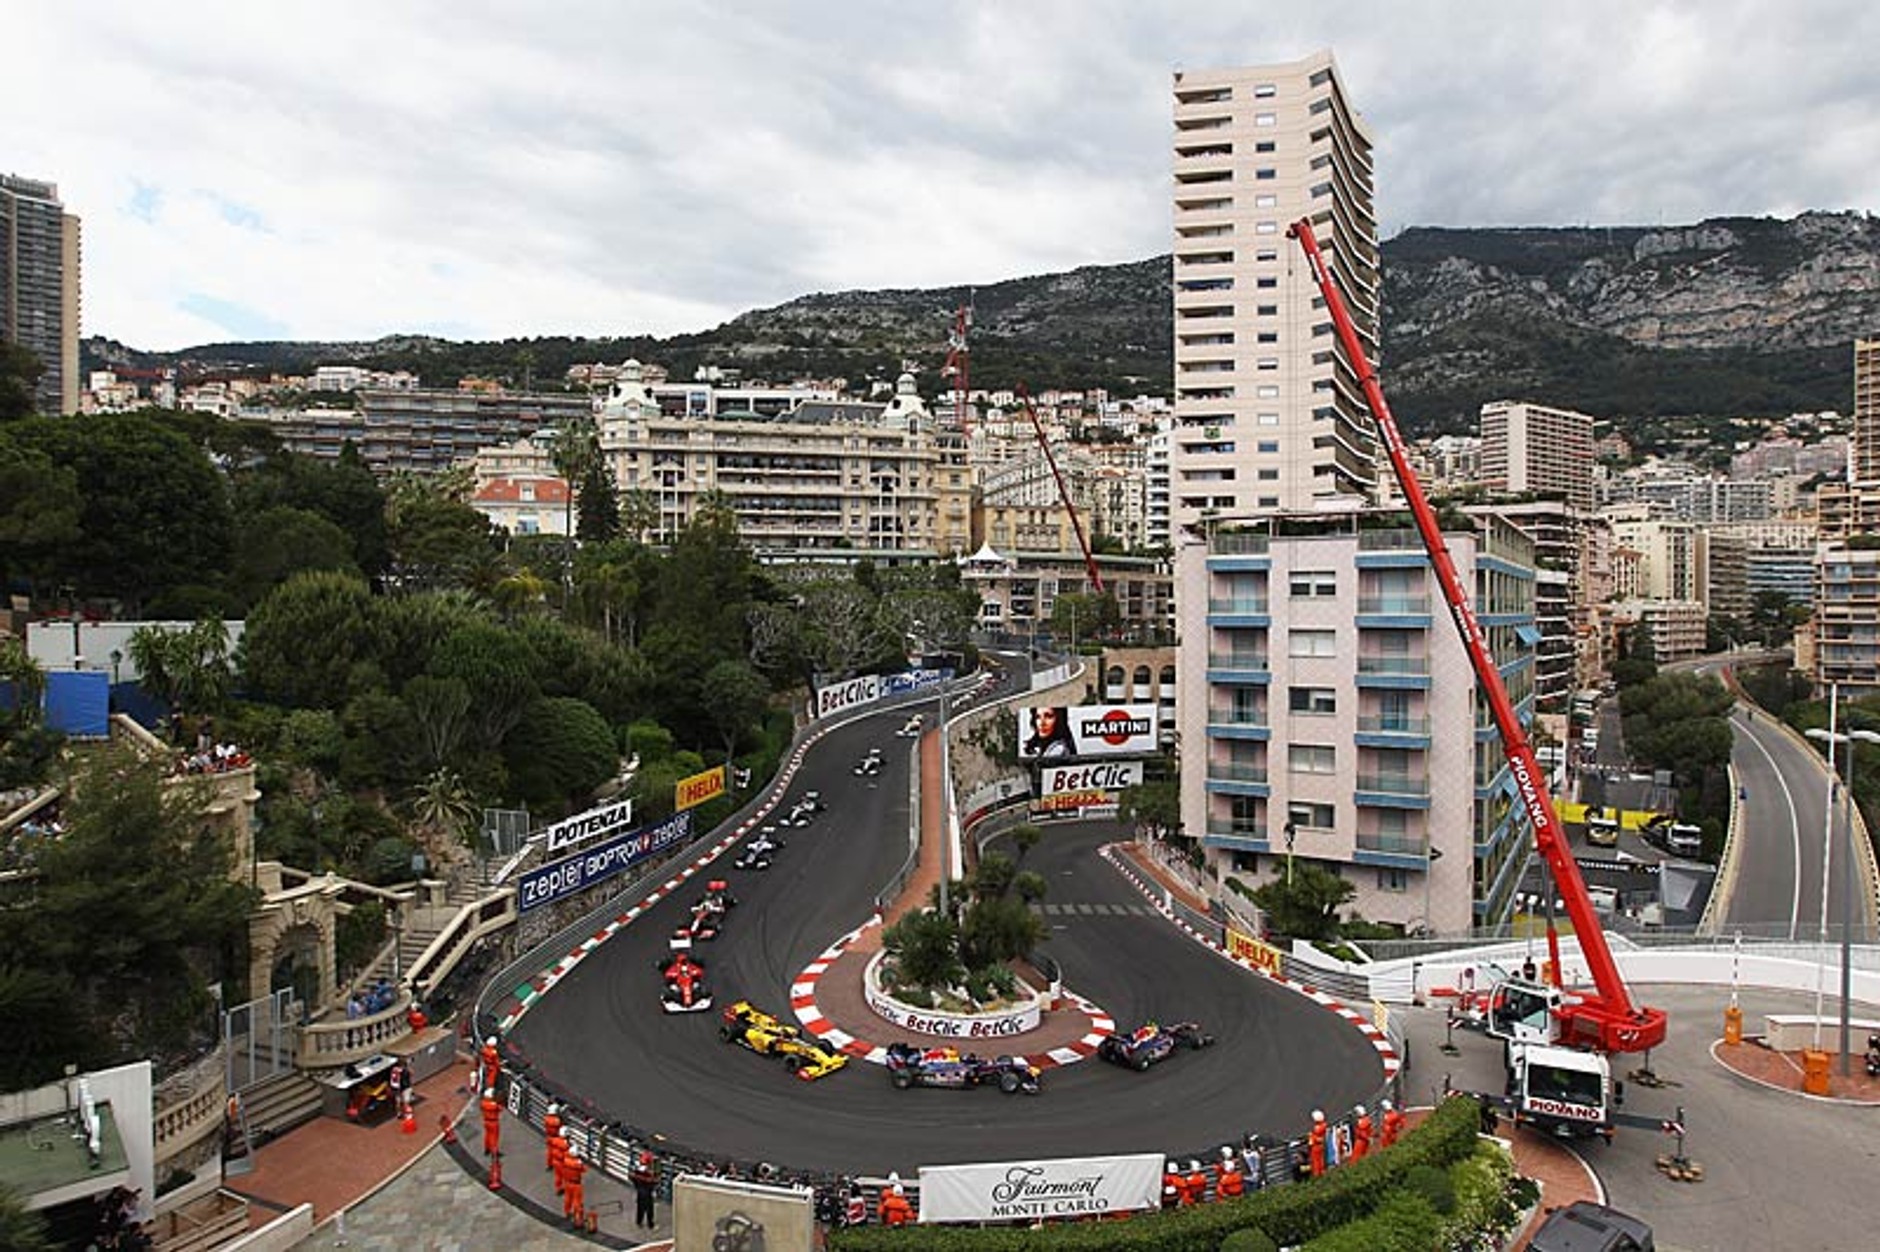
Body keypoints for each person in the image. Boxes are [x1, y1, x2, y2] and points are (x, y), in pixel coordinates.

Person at [630, 1149, 659, 1229]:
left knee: (640, 1209)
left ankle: (639, 1222)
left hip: (640, 1192)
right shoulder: (649, 1173)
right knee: (649, 1210)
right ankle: (650, 1225)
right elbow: (654, 1181)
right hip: (647, 1193)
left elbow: (632, 1178)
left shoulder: (637, 1171)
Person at [561, 1144, 587, 1226]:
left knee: (568, 1198)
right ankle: (578, 1219)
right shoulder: (577, 1163)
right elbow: (584, 1169)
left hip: (567, 1182)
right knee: (577, 1202)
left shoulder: (565, 1160)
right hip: (576, 1184)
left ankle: (567, 1212)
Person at [479, 1088, 502, 1158]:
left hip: (486, 1121)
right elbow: (500, 1108)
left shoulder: (483, 1103)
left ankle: (487, 1149)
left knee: (487, 1135)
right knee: (494, 1138)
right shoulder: (494, 1105)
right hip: (494, 1122)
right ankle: (494, 1152)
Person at [542, 1104, 562, 1173]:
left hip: (549, 1137)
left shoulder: (546, 1118)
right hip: (556, 1137)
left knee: (550, 1152)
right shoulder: (557, 1120)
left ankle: (550, 1165)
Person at [1308, 1109, 1327, 1177]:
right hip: (1317, 1145)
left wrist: (1312, 1137)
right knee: (1318, 1160)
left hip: (1316, 1146)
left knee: (1316, 1161)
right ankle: (1320, 1172)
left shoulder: (1321, 1126)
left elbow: (1319, 1137)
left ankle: (1317, 1174)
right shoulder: (1320, 1125)